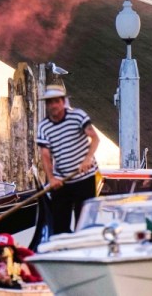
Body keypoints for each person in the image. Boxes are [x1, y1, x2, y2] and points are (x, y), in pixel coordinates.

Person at [36, 84, 100, 235]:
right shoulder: (43, 126)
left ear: (63, 102)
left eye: (56, 101)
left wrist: (87, 159)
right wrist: (51, 178)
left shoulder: (78, 116)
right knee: (59, 227)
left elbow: (95, 138)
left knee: (83, 224)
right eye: (50, 102)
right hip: (62, 179)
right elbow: (45, 155)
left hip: (86, 177)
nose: (53, 105)